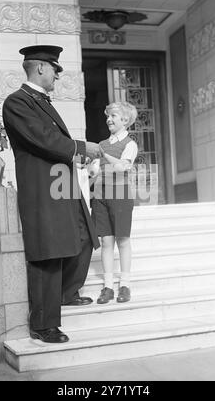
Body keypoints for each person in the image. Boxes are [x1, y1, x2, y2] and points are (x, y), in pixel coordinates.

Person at [2, 45, 101, 344]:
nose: (57, 75)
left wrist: (76, 155)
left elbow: (54, 141)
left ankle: (67, 292)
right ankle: (43, 324)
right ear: (41, 68)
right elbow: (43, 139)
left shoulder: (39, 100)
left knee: (84, 235)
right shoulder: (17, 102)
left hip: (61, 180)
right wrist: (81, 148)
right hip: (43, 187)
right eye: (55, 70)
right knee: (48, 249)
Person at [89, 102, 138, 305]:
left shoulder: (130, 144)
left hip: (121, 195)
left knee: (123, 240)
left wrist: (102, 156)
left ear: (125, 120)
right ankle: (108, 286)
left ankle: (124, 284)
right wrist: (91, 166)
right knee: (106, 242)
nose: (109, 119)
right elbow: (94, 170)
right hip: (101, 196)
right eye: (108, 116)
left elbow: (121, 168)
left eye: (114, 116)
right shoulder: (101, 144)